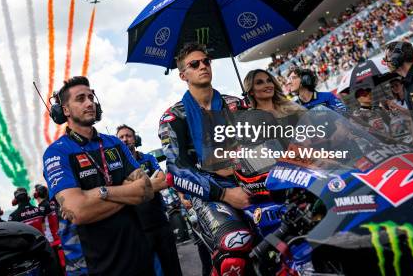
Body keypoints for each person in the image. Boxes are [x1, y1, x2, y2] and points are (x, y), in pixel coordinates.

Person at [43, 76, 154, 276]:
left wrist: (101, 192)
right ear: (65, 110)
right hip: (96, 265)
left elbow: (146, 190)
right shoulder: (57, 152)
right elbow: (77, 211)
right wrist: (128, 194)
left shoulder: (114, 142)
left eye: (91, 97)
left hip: (139, 255)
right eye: (80, 99)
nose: (89, 103)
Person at [159, 42, 255, 276]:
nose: (203, 66)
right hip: (211, 193)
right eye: (194, 64)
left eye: (206, 61)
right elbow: (177, 170)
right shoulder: (173, 117)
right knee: (235, 245)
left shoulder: (236, 104)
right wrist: (224, 194)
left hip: (253, 182)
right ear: (183, 75)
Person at [117, 124, 182, 276]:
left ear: (135, 139)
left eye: (128, 136)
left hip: (160, 223)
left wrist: (132, 190)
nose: (125, 139)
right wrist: (146, 185)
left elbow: (163, 181)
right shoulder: (117, 166)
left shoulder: (148, 158)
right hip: (137, 229)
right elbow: (120, 193)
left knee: (173, 268)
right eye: (121, 137)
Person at [33, 184, 64, 270]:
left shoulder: (42, 206)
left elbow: (42, 225)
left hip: (50, 239)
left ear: (37, 195)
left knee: (54, 264)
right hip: (56, 236)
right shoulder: (50, 203)